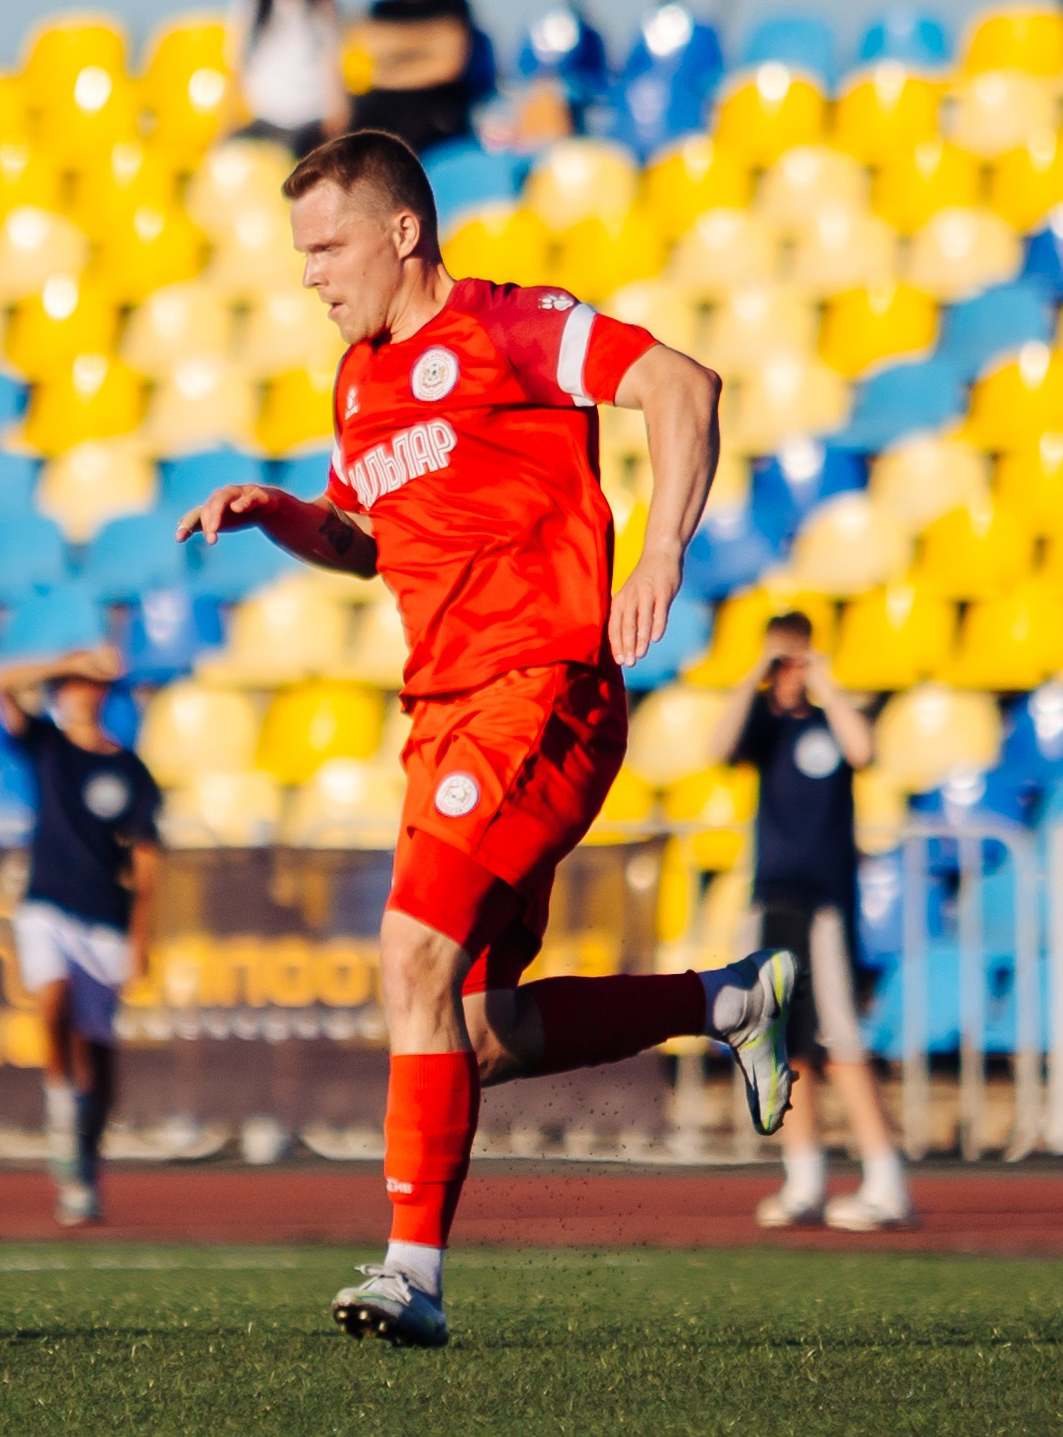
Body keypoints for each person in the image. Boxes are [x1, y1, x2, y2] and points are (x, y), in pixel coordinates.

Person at [175, 131, 794, 1348]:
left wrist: (660, 546)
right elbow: (368, 540)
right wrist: (281, 514)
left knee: (408, 955)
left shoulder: (512, 326)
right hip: (443, 715)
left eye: (325, 244)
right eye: (298, 251)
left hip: (539, 691)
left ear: (402, 231)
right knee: (462, 1031)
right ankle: (725, 1003)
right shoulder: (358, 382)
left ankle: (412, 1276)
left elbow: (682, 386)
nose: (308, 273)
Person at [711, 613, 915, 1232]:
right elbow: (716, 748)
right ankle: (805, 1178)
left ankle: (886, 1181)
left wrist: (826, 684)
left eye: (797, 660)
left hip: (823, 904)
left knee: (840, 1041)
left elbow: (864, 750)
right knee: (781, 1043)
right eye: (784, 662)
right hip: (771, 901)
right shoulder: (765, 729)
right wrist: (755, 675)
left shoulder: (832, 721)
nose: (790, 674)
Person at [0, 644, 162, 1227]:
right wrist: (67, 659)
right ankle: (60, 1103)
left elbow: (145, 860)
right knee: (51, 998)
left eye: (90, 685)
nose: (80, 693)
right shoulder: (48, 746)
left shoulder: (127, 768)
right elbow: (1, 680)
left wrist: (141, 939)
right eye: (72, 685)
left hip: (106, 919)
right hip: (47, 907)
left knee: (100, 1056)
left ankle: (84, 1162)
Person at [344, 0, 490, 155]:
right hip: (379, 127)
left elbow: (448, 65)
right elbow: (363, 44)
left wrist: (387, 63)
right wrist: (431, 41)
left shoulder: (453, 6)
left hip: (435, 131)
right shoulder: (383, 8)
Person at [228, 0, 348, 157]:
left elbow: (331, 66)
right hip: (264, 120)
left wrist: (337, 122)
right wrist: (228, 123)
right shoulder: (251, 6)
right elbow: (236, 66)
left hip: (309, 123)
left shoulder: (323, 7)